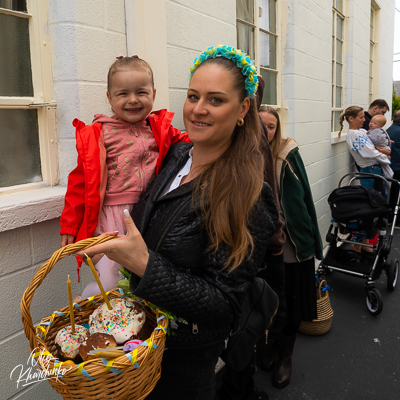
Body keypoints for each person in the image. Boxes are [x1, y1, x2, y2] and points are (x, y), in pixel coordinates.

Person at [74, 45, 279, 400]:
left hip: (183, 359)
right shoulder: (175, 154)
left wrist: (145, 265)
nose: (198, 109)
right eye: (192, 96)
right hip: (139, 343)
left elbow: (225, 305)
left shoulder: (248, 195)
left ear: (244, 108)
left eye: (215, 100)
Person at [60, 55, 189, 299]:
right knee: (111, 278)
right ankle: (83, 308)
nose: (133, 100)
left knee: (143, 274)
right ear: (109, 97)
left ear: (153, 93)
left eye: (141, 92)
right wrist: (69, 223)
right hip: (113, 216)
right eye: (123, 94)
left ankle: (133, 325)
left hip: (150, 211)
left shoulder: (158, 128)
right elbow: (79, 182)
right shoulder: (100, 133)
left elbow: (190, 143)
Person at [216, 77, 286, 400]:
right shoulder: (251, 130)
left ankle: (238, 386)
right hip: (246, 245)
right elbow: (267, 185)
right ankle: (240, 390)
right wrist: (275, 239)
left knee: (236, 324)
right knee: (245, 325)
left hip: (227, 240)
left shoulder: (228, 128)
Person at [258, 105, 323, 389]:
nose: (264, 131)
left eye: (270, 126)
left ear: (278, 129)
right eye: (259, 125)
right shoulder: (245, 155)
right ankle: (270, 348)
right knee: (270, 304)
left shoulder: (286, 155)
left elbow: (303, 202)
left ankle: (286, 356)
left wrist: (309, 247)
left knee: (292, 303)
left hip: (291, 246)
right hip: (261, 248)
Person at [339, 105, 391, 251]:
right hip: (371, 171)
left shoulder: (360, 132)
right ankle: (357, 244)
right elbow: (371, 153)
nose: (364, 120)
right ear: (351, 118)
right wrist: (387, 156)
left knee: (372, 208)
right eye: (361, 117)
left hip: (372, 171)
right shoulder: (355, 135)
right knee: (370, 209)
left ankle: (364, 243)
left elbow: (373, 147)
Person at [366, 114, 393, 179]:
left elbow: (372, 139)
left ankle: (388, 178)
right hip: (384, 150)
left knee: (386, 169)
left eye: (374, 123)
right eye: (371, 121)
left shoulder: (377, 131)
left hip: (381, 150)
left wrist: (364, 136)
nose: (371, 124)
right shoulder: (375, 130)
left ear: (381, 126)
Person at [387, 110, 400, 225]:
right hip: (398, 166)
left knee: (393, 194)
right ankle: (397, 220)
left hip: (390, 166)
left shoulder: (388, 131)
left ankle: (390, 219)